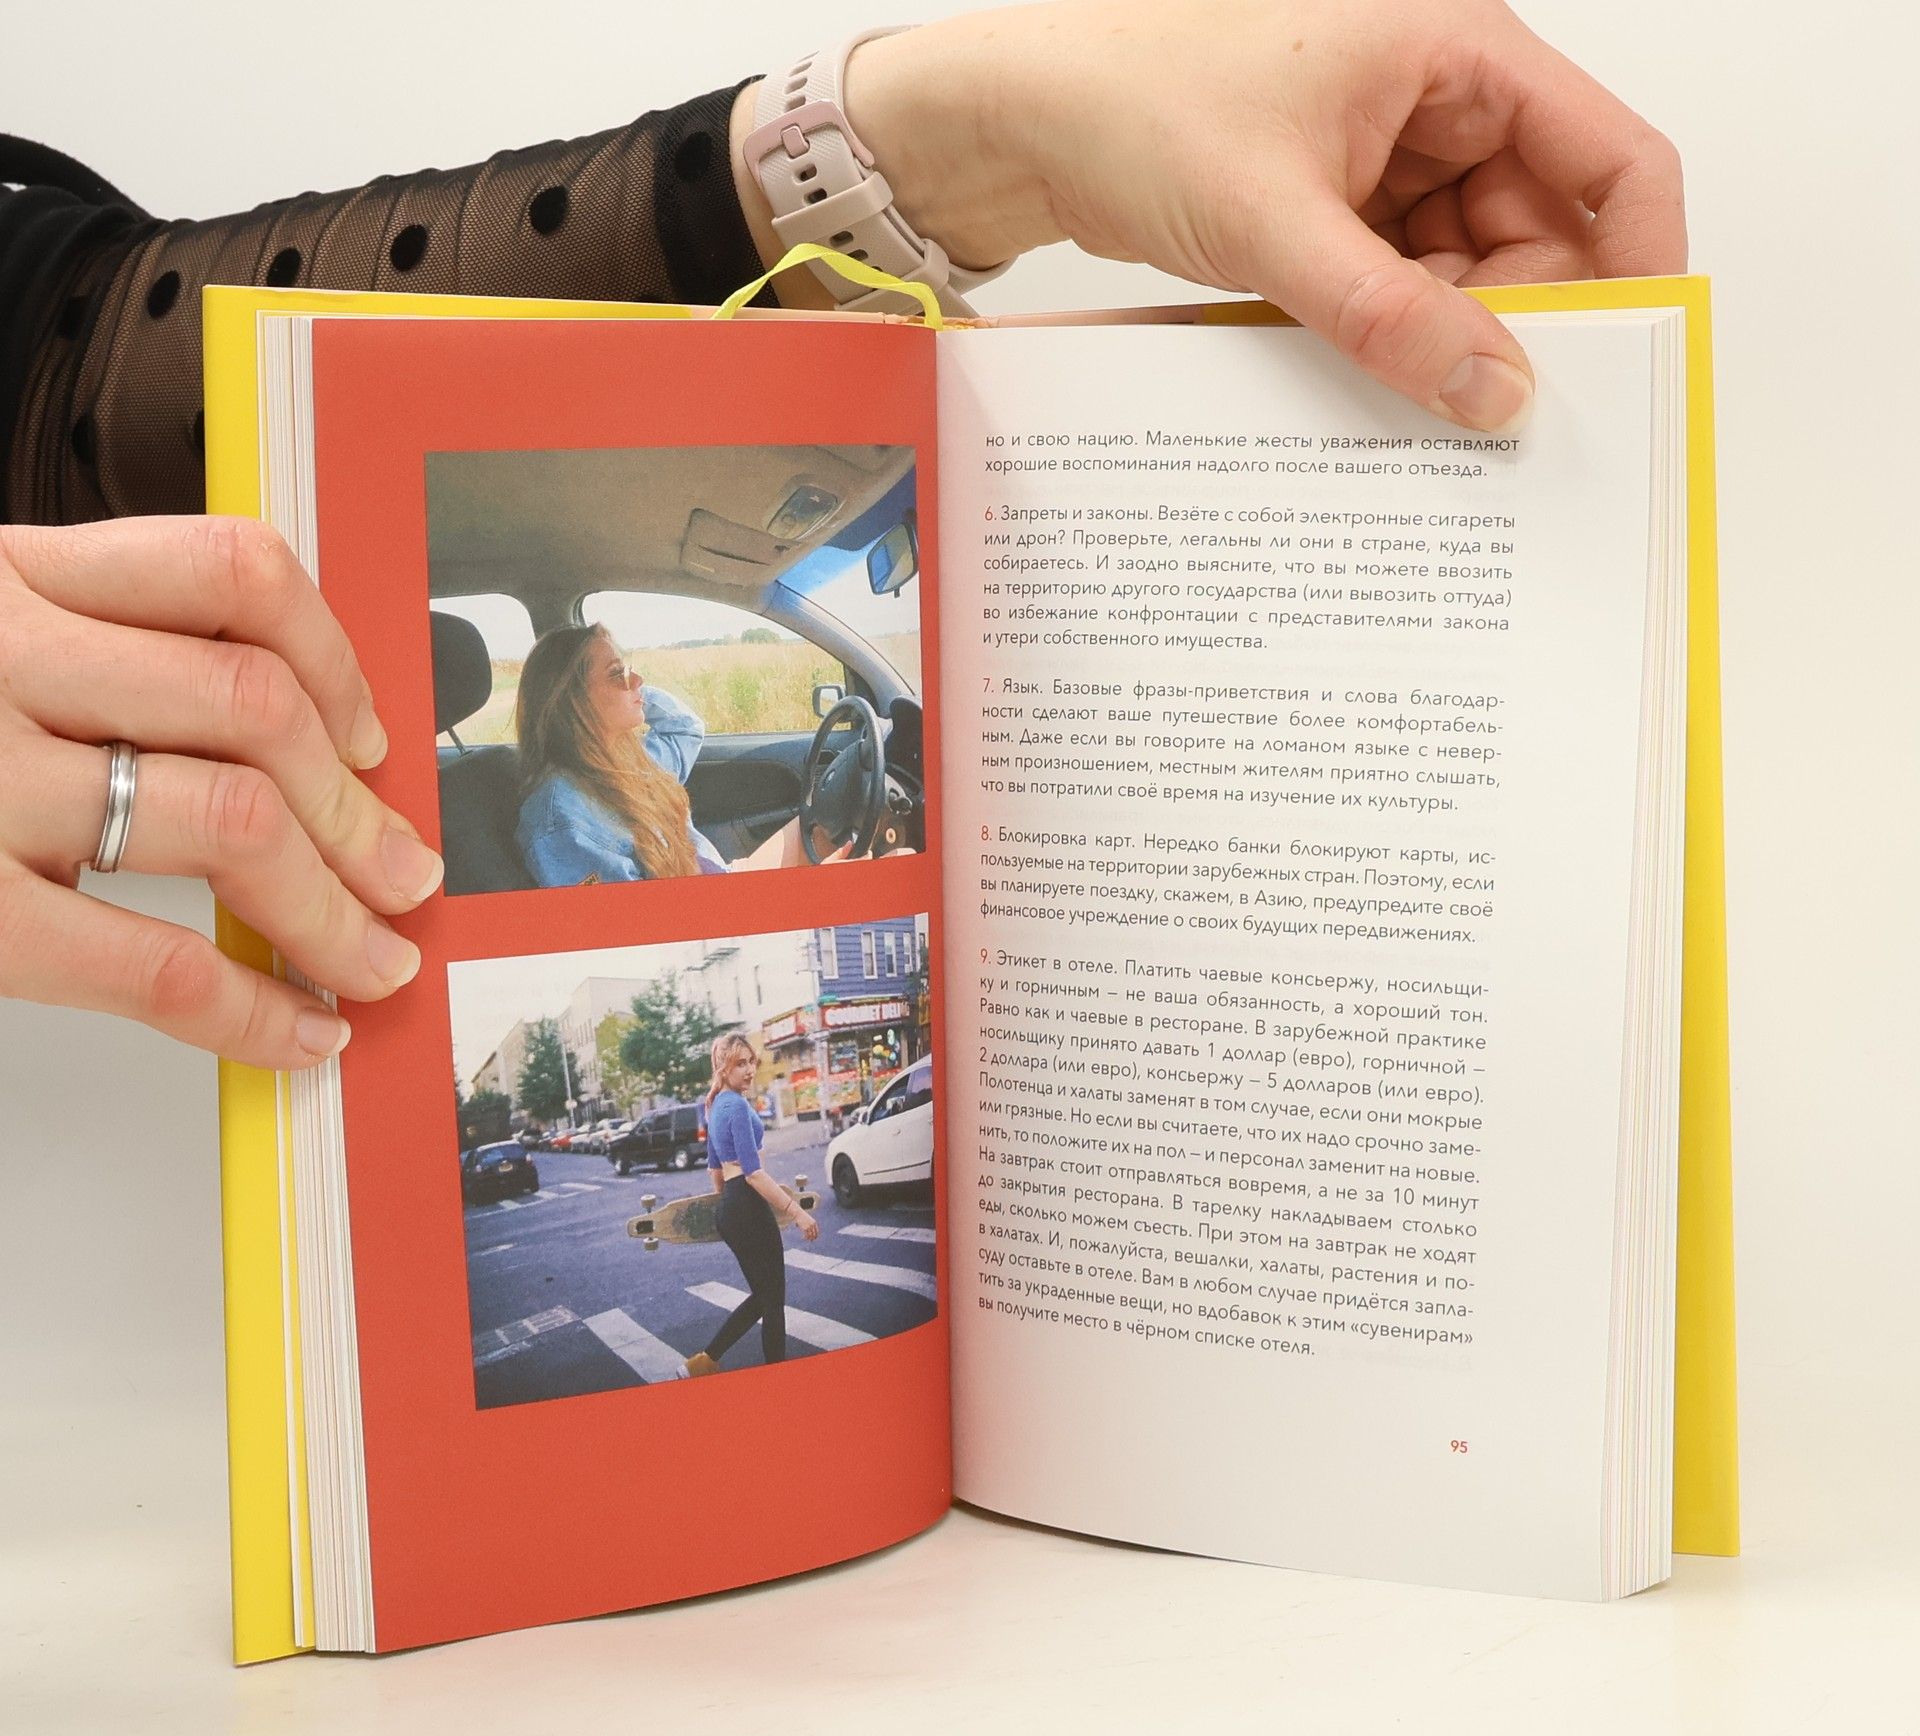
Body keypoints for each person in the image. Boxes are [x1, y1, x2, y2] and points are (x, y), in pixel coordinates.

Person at [0, 0, 1686, 1065]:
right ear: (571, 707)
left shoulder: (641, 752)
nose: (641, 691)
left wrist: (959, 135)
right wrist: (802, 862)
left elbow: (71, 355)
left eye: (629, 675)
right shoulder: (567, 816)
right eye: (615, 679)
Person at [512, 622, 840, 886]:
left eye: (628, 670)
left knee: (830, 825)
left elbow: (685, 727)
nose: (637, 680)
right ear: (571, 700)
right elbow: (634, 930)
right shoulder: (560, 819)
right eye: (617, 674)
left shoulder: (631, 760)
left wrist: (630, 694)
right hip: (705, 920)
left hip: (718, 879)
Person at [684, 1032, 820, 1377]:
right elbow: (754, 1174)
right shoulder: (736, 1106)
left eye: (751, 1062)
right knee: (773, 1301)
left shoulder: (715, 1107)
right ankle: (771, 1377)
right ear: (723, 1068)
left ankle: (705, 1361)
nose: (749, 1070)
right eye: (739, 1064)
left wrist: (724, 1209)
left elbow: (715, 1170)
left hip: (733, 1209)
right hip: (747, 1205)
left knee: (765, 1296)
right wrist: (797, 1212)